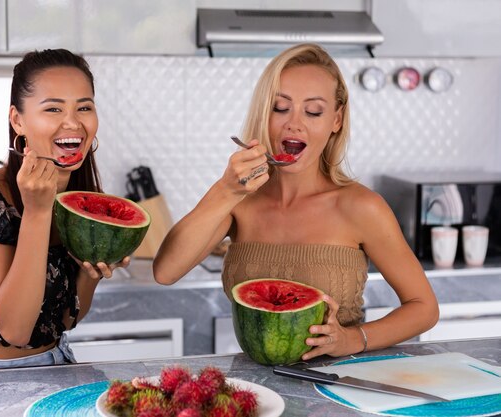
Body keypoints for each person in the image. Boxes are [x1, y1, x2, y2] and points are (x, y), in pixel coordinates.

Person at [153, 43, 438, 360]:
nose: (294, 123)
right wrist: (226, 190)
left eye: (313, 111)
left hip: (339, 387)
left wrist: (354, 339)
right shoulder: (239, 200)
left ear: (336, 120)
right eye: (279, 108)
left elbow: (424, 308)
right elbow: (165, 272)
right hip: (255, 388)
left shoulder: (362, 207)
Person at [0, 49, 129, 370]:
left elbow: (67, 319)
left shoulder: (82, 198)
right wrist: (37, 212)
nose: (72, 122)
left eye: (84, 107)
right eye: (53, 108)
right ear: (18, 120)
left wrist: (92, 273)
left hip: (61, 362)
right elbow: (15, 330)